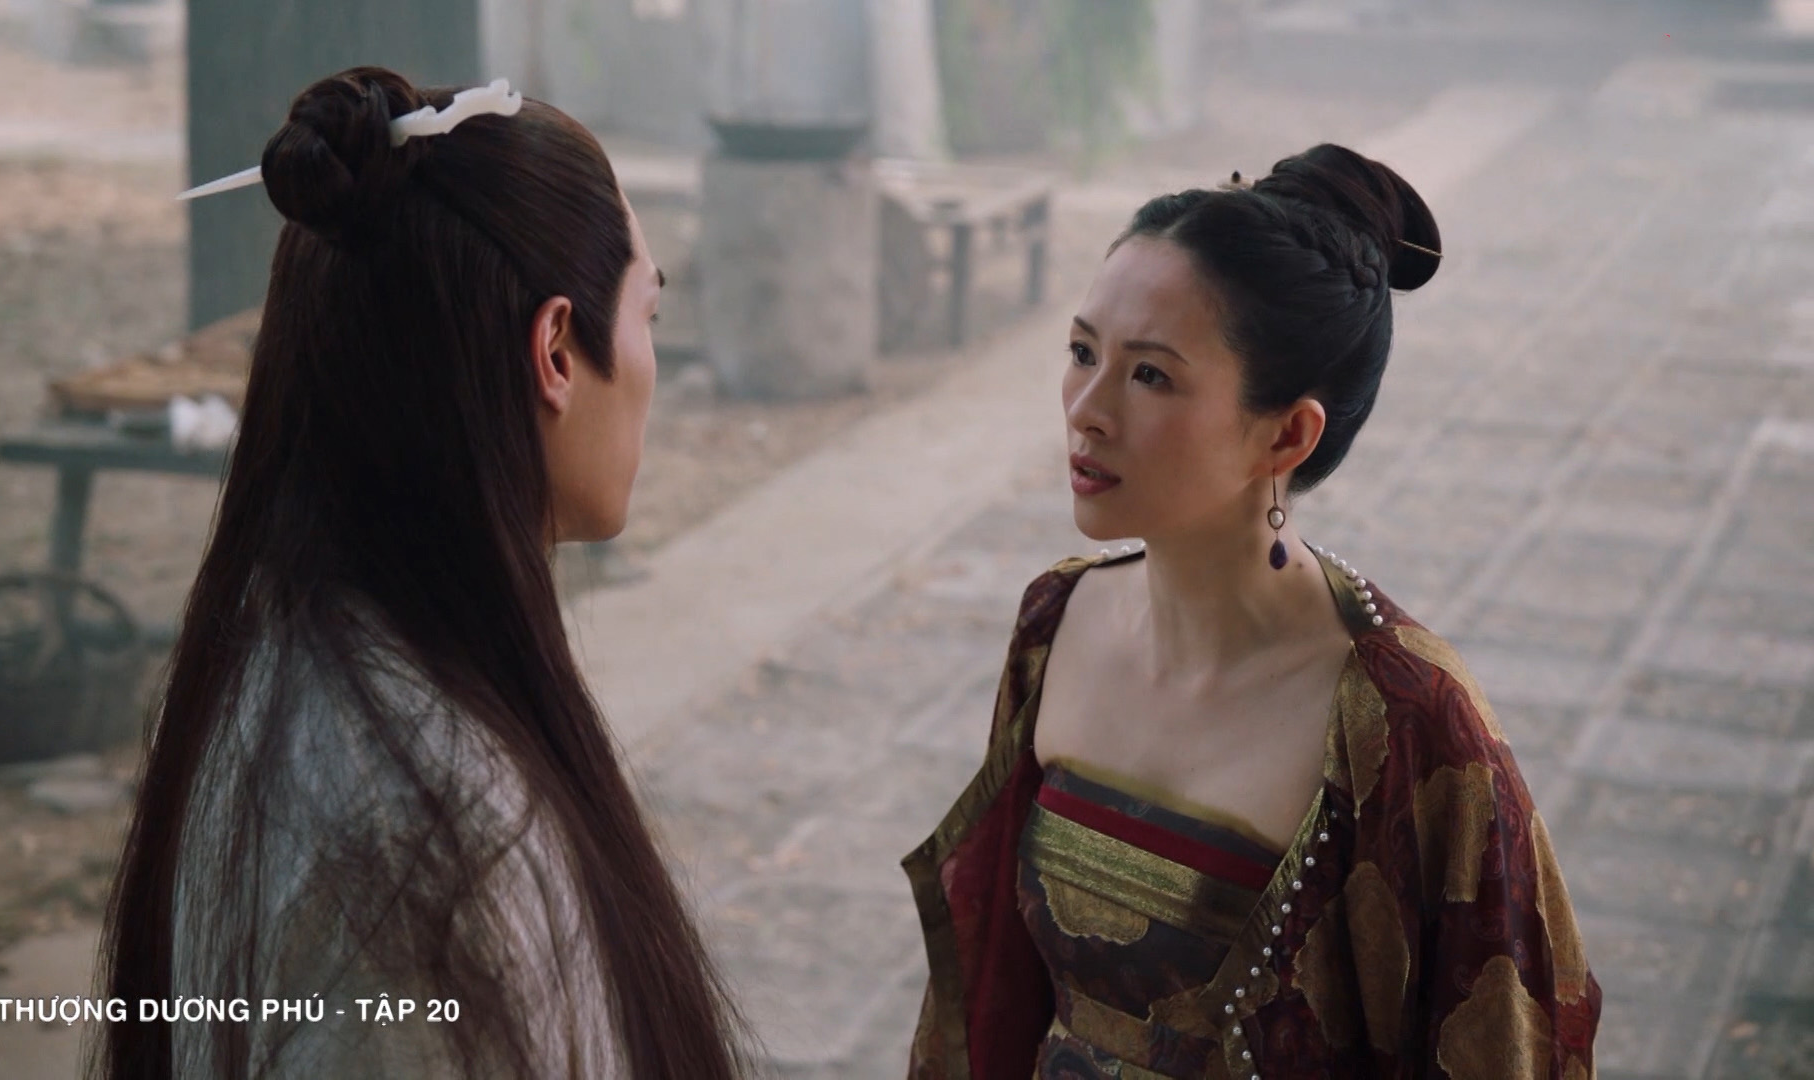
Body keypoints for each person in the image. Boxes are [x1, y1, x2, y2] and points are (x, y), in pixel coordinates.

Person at [90, 67, 747, 1079]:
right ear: (556, 351)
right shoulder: (431, 844)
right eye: (646, 316)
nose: (650, 359)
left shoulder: (283, 659)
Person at [901, 145, 1601, 1078]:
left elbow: (1500, 1045)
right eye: (1082, 353)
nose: (1088, 410)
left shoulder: (1403, 717)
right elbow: (996, 991)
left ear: (1287, 434)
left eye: (1150, 376)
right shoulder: (1058, 622)